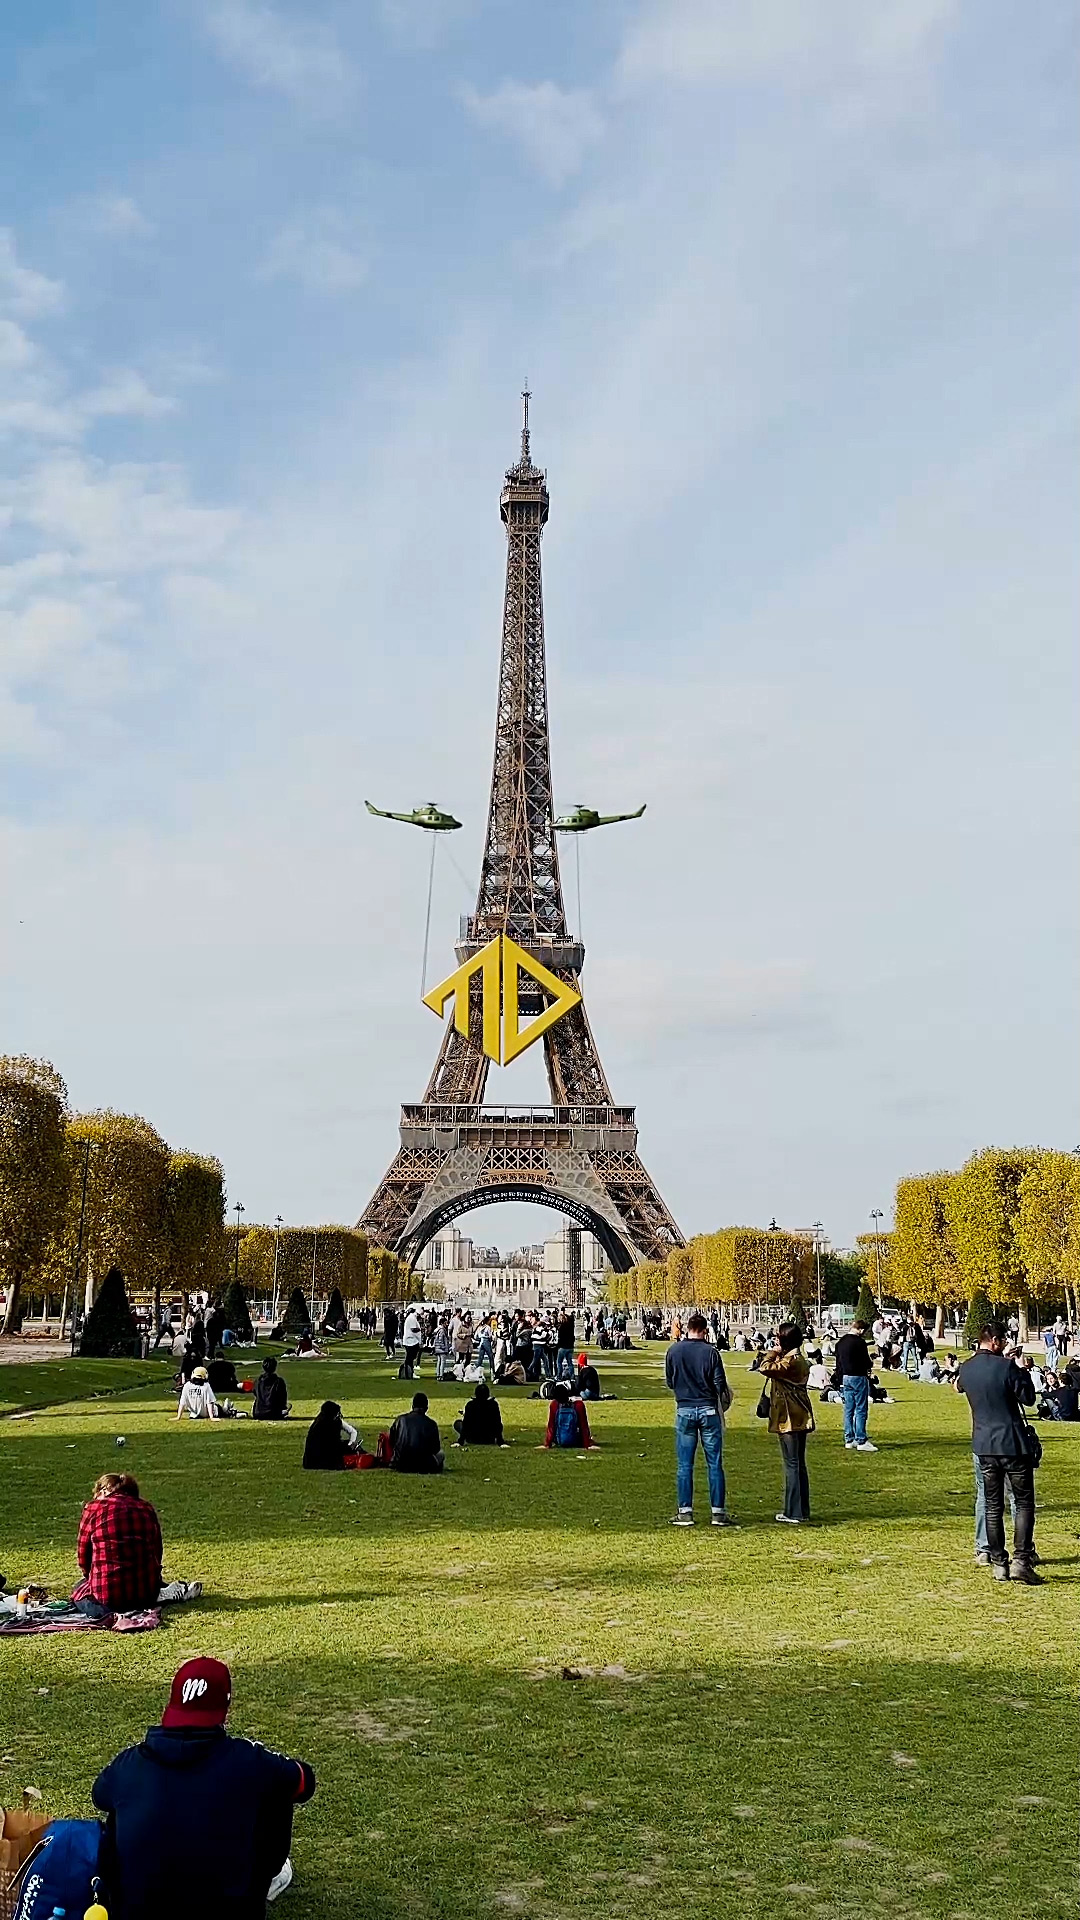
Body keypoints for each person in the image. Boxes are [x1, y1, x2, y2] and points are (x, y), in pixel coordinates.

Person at [92, 1657, 315, 1920]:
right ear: (226, 1707)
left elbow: (100, 1796)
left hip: (136, 1911)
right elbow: (304, 1782)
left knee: (123, 1805)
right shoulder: (250, 1761)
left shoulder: (129, 1764)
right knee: (277, 1789)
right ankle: (267, 1879)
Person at [956, 1324, 1040, 1583]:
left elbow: (960, 1388)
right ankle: (1022, 1560)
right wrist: (1022, 1370)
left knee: (993, 1505)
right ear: (994, 1340)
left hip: (983, 1443)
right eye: (1003, 1339)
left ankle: (998, 1562)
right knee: (1023, 1502)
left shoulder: (966, 1369)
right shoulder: (1006, 1367)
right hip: (1012, 1443)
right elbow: (1028, 1398)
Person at [72, 1473, 201, 1619]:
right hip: (146, 1593)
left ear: (103, 1491)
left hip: (109, 1595)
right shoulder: (146, 1508)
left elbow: (83, 1555)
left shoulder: (94, 1508)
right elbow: (157, 1551)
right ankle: (164, 1590)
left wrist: (89, 1576)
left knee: (80, 1590)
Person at [664, 1310, 733, 1526]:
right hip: (708, 1409)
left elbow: (669, 1381)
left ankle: (685, 1511)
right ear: (705, 1331)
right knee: (714, 1463)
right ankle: (718, 1513)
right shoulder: (711, 1353)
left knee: (685, 1465)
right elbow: (719, 1384)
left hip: (684, 1408)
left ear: (686, 1328)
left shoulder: (673, 1351)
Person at [758, 1321, 815, 1524]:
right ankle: (801, 1510)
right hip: (800, 1415)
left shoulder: (790, 1362)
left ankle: (794, 1512)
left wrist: (773, 1352)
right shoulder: (797, 1359)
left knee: (792, 1465)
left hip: (789, 1418)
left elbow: (764, 1368)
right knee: (798, 1465)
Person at [834, 1318, 877, 1452]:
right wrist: (871, 1363)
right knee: (860, 1409)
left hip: (845, 1377)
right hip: (858, 1376)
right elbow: (866, 1362)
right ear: (861, 1330)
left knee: (848, 1410)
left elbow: (838, 1364)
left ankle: (849, 1439)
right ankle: (861, 1440)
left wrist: (839, 1380)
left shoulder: (841, 1342)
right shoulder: (859, 1343)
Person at [389, 1392, 444, 1472]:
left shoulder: (400, 1420)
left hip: (401, 1463)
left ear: (412, 1406)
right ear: (426, 1408)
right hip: (424, 1465)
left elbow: (392, 1440)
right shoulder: (431, 1424)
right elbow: (436, 1448)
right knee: (441, 1454)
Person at [302, 1401, 359, 1469]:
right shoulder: (322, 1426)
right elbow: (330, 1446)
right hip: (319, 1459)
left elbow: (352, 1431)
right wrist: (348, 1448)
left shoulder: (333, 1421)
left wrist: (350, 1444)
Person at [542, 1381, 597, 1450]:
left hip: (559, 1440)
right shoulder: (579, 1405)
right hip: (576, 1440)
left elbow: (551, 1426)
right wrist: (587, 1444)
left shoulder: (554, 1405)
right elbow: (584, 1426)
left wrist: (548, 1444)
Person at [454, 1381, 505, 1446]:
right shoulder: (493, 1405)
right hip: (489, 1438)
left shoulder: (470, 1405)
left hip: (473, 1438)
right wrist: (500, 1441)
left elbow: (466, 1425)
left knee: (458, 1423)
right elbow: (497, 1423)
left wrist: (460, 1441)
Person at [253, 1354, 289, 1420]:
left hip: (258, 1413)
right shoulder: (278, 1381)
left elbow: (255, 1393)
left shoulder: (258, 1381)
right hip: (273, 1413)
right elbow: (283, 1398)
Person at [400, 1305, 423, 1378]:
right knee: (410, 1358)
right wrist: (420, 1329)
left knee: (410, 1358)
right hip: (411, 1341)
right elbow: (413, 1329)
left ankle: (409, 1372)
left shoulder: (411, 1318)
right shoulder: (412, 1318)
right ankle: (409, 1372)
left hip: (411, 1340)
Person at [555, 1309, 576, 1380]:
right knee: (570, 1362)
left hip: (563, 1346)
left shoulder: (561, 1327)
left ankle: (559, 1376)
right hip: (570, 1346)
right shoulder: (570, 1327)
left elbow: (560, 1337)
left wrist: (558, 1345)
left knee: (559, 1362)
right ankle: (572, 1375)